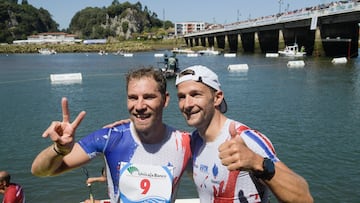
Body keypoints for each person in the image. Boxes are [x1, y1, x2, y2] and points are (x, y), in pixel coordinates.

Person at [31, 67, 192, 203]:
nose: (140, 106)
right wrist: (59, 149)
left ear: (165, 100)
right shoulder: (109, 138)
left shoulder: (185, 143)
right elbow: (40, 171)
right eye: (133, 98)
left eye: (149, 97)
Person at [175, 65, 313, 203]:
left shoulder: (246, 139)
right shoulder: (193, 142)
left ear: (217, 98)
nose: (187, 104)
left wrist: (256, 162)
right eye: (181, 97)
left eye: (195, 94)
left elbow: (304, 198)